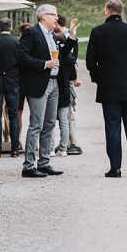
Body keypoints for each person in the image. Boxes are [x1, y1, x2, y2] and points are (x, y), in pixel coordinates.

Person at [86, 0, 127, 178]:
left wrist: (100, 77)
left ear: (107, 11)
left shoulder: (98, 32)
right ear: (120, 12)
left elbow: (90, 61)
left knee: (112, 127)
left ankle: (115, 168)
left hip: (109, 88)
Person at [18, 5, 75, 178]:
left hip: (54, 84)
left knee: (50, 124)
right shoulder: (32, 33)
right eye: (53, 14)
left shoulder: (51, 35)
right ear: (43, 16)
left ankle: (44, 163)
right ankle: (28, 166)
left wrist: (71, 38)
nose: (56, 18)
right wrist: (45, 64)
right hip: (38, 83)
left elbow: (62, 57)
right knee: (36, 124)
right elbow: (22, 56)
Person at [0, 19, 21, 158]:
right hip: (12, 81)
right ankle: (15, 149)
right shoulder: (17, 42)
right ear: (11, 27)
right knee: (13, 116)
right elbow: (21, 62)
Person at [54, 14, 81, 156]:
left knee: (52, 120)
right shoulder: (69, 58)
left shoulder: (55, 56)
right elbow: (73, 73)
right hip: (65, 87)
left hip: (56, 87)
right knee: (65, 118)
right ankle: (64, 147)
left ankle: (53, 148)